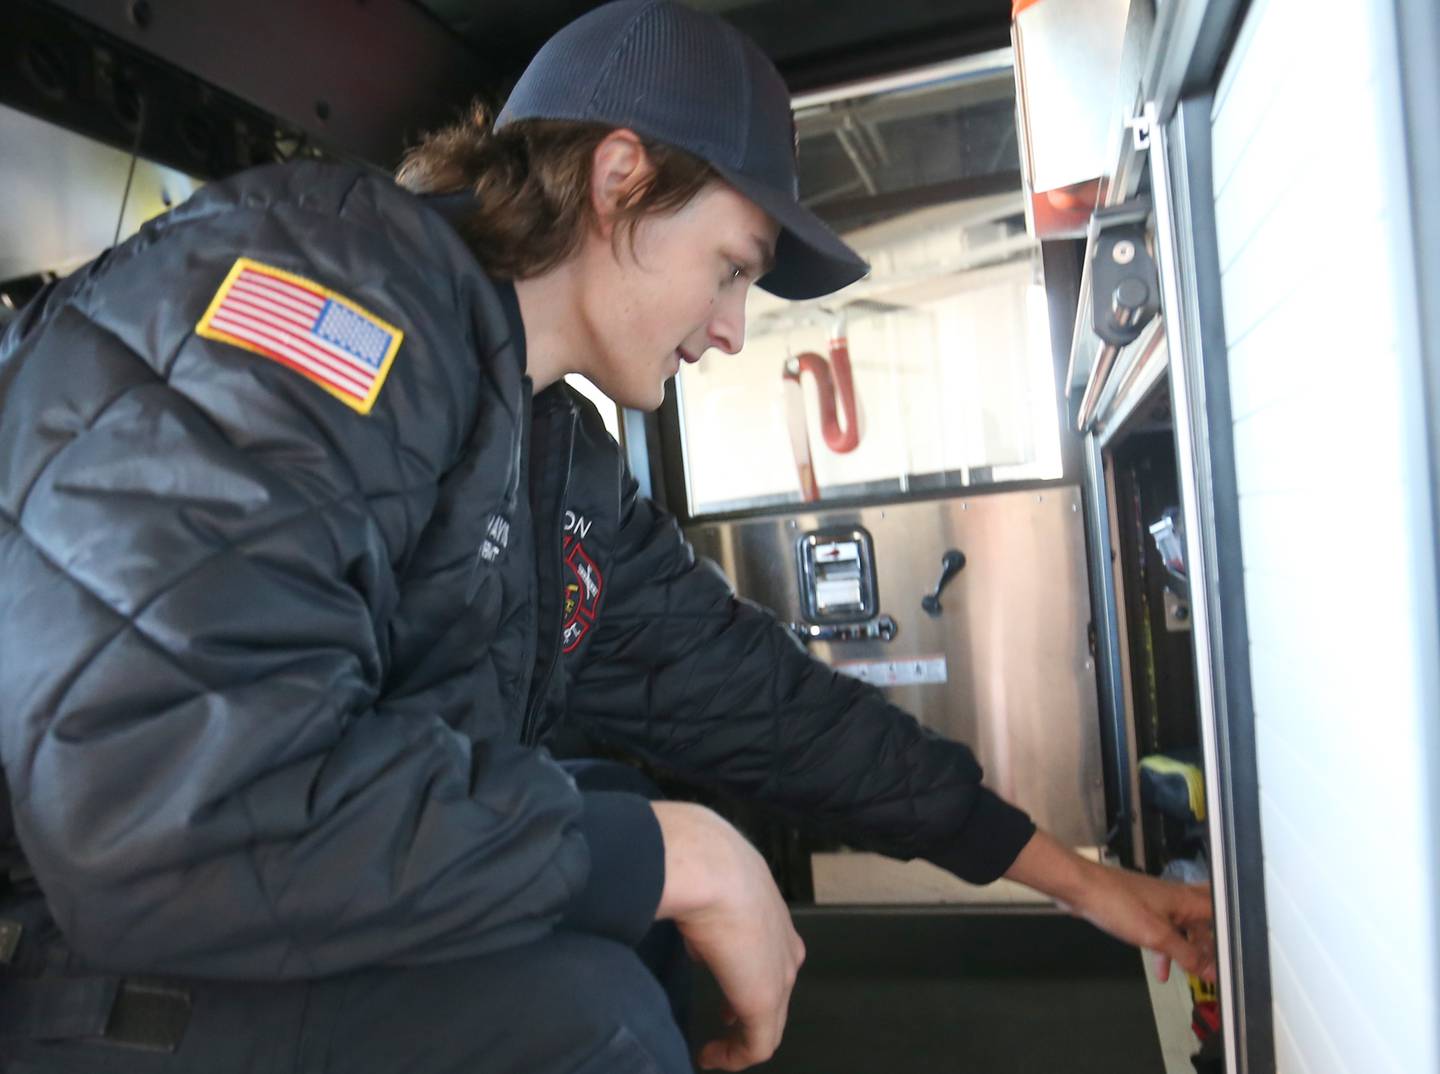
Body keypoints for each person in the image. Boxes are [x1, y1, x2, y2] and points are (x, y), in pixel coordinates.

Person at [0, 2, 1214, 1071]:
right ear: (622, 176)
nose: (732, 330)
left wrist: (1078, 879)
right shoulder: (330, 291)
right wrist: (677, 852)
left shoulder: (545, 453)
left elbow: (763, 705)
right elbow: (166, 800)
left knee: (614, 846)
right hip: (82, 952)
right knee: (584, 1020)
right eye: (731, 271)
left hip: (211, 916)